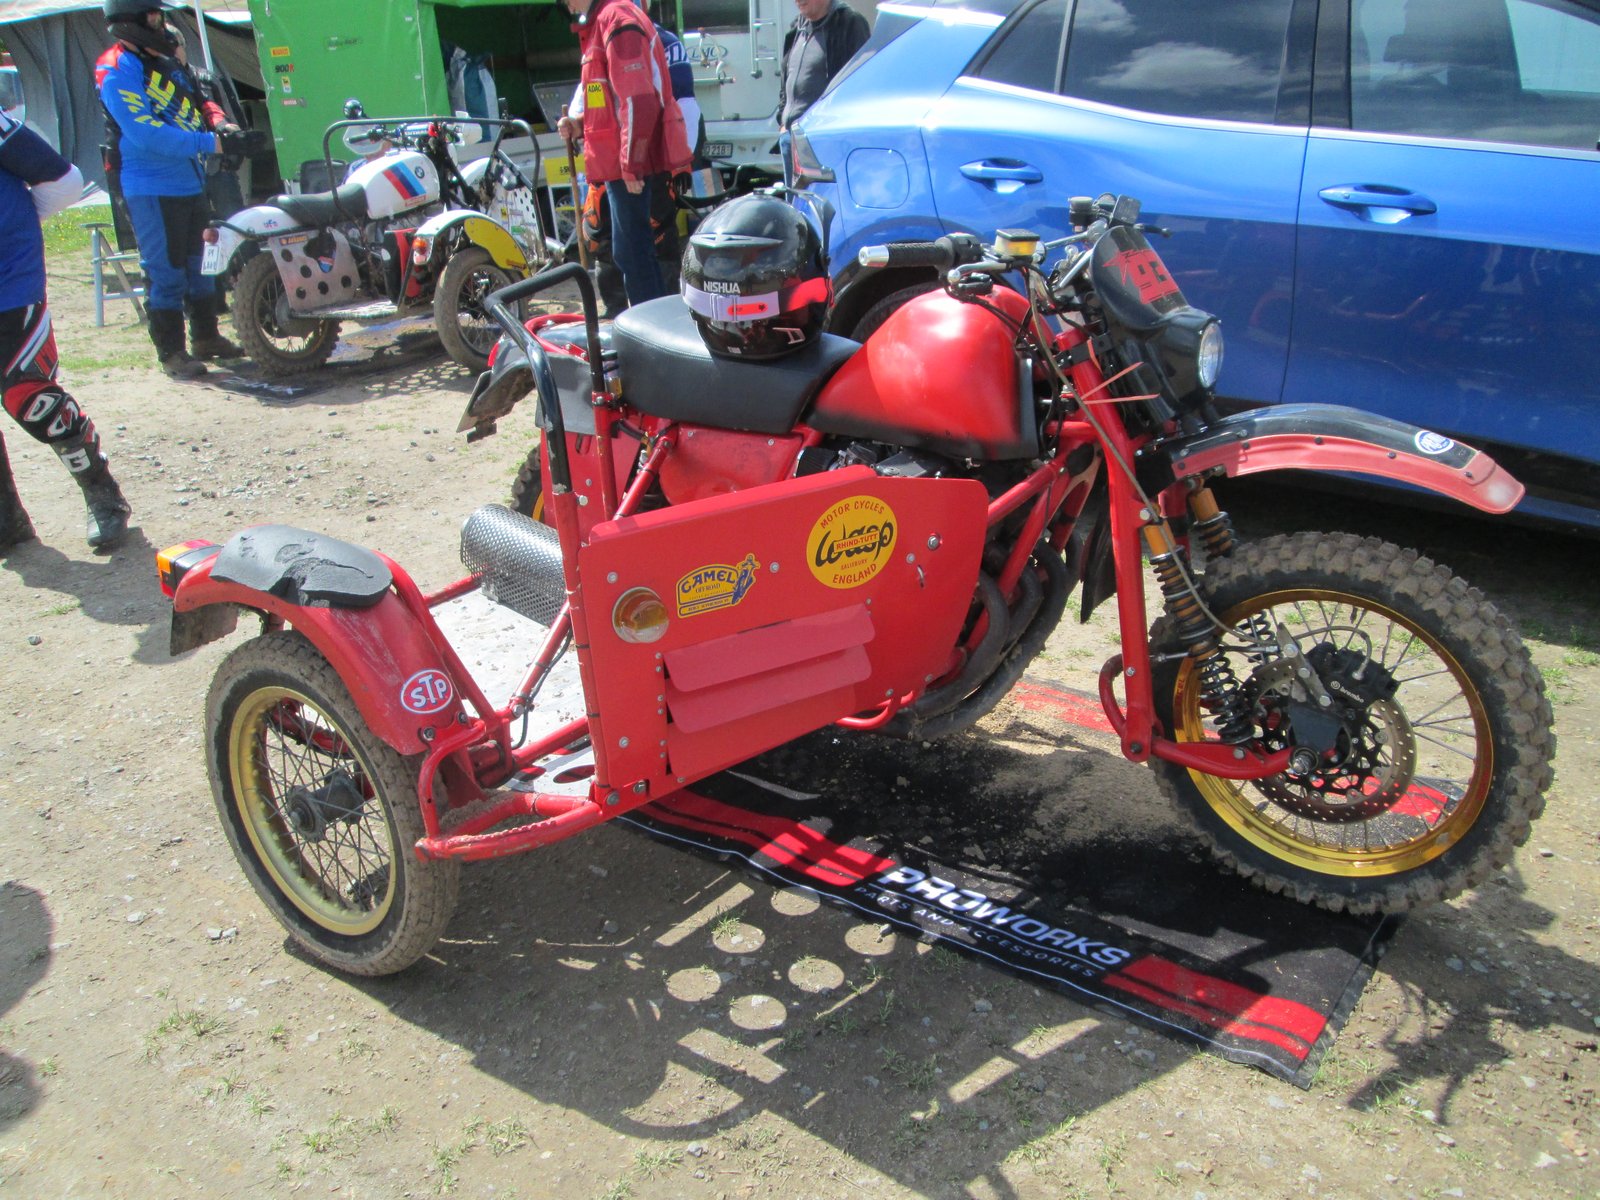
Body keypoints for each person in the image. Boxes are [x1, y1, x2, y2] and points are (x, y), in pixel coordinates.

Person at [95, 0, 265, 379]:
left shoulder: (166, 60)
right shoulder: (116, 67)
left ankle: (206, 337)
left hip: (190, 179)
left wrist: (222, 126)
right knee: (165, 269)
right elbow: (145, 133)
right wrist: (213, 144)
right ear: (130, 20)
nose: (162, 23)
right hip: (148, 186)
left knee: (201, 264)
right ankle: (171, 353)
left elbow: (201, 101)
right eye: (154, 16)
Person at [0, 110, 133, 552]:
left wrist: (18, 224)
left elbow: (62, 180)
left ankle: (103, 494)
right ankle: (7, 523)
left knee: (28, 396)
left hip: (9, 282)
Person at [557, 0, 692, 307]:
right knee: (631, 251)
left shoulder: (616, 20)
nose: (566, 4)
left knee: (635, 252)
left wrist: (632, 163)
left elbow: (638, 100)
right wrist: (579, 125)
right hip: (625, 162)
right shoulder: (606, 21)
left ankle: (651, 326)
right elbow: (613, 102)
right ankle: (651, 323)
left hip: (631, 164)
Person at [777, 0, 869, 185]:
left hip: (823, 141)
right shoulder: (797, 28)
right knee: (795, 202)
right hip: (791, 139)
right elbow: (787, 78)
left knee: (821, 201)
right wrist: (782, 120)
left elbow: (862, 81)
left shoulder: (849, 23)